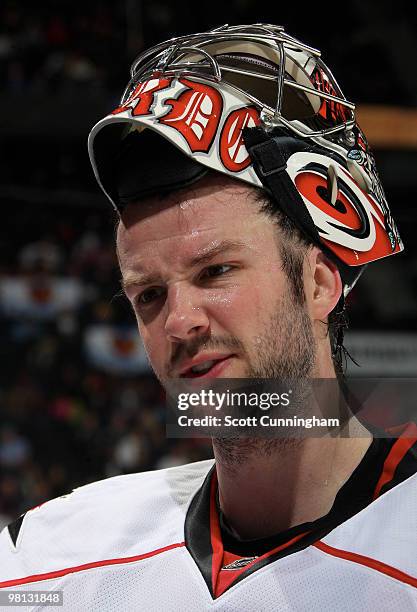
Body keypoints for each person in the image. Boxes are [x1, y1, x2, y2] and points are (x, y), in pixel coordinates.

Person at [1, 23, 416, 610]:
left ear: (320, 282)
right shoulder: (46, 560)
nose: (178, 322)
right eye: (148, 296)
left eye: (215, 272)